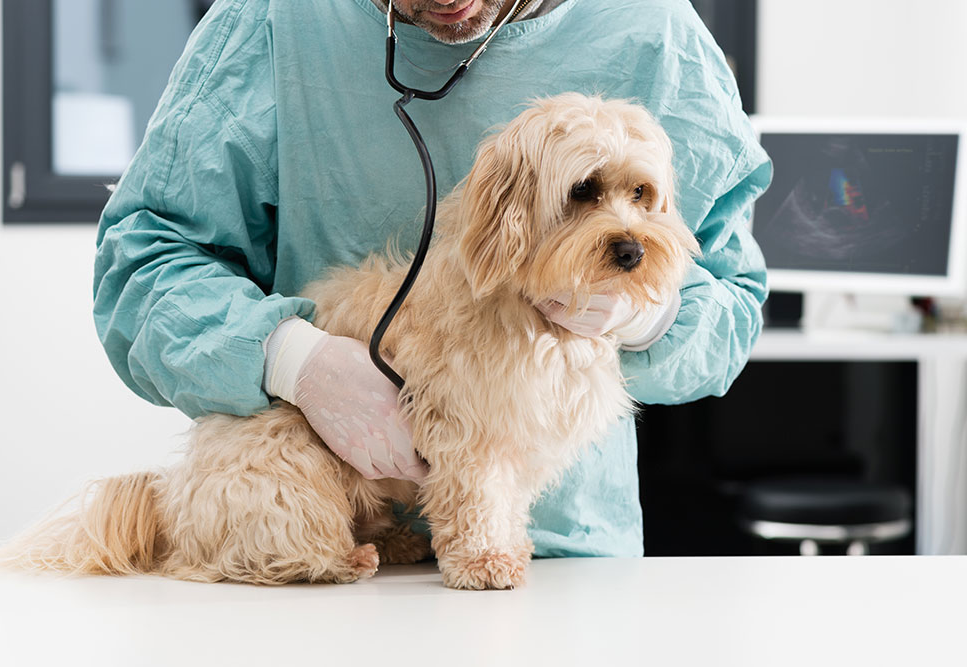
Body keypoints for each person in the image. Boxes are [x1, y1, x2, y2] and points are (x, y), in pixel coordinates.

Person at [93, 0, 772, 558]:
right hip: (319, 537)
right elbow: (145, 266)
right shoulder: (275, 21)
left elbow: (732, 301)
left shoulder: (653, 34)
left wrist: (643, 315)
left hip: (560, 556)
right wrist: (292, 359)